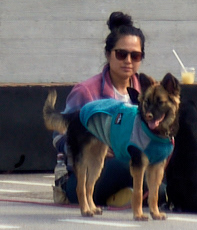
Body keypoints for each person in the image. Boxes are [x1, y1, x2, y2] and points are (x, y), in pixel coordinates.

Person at [55, 11, 149, 208]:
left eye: (136, 55)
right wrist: (95, 146)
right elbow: (59, 135)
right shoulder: (86, 91)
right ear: (108, 54)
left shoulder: (145, 93)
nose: (128, 61)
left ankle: (132, 195)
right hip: (84, 174)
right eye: (121, 54)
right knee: (125, 165)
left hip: (129, 164)